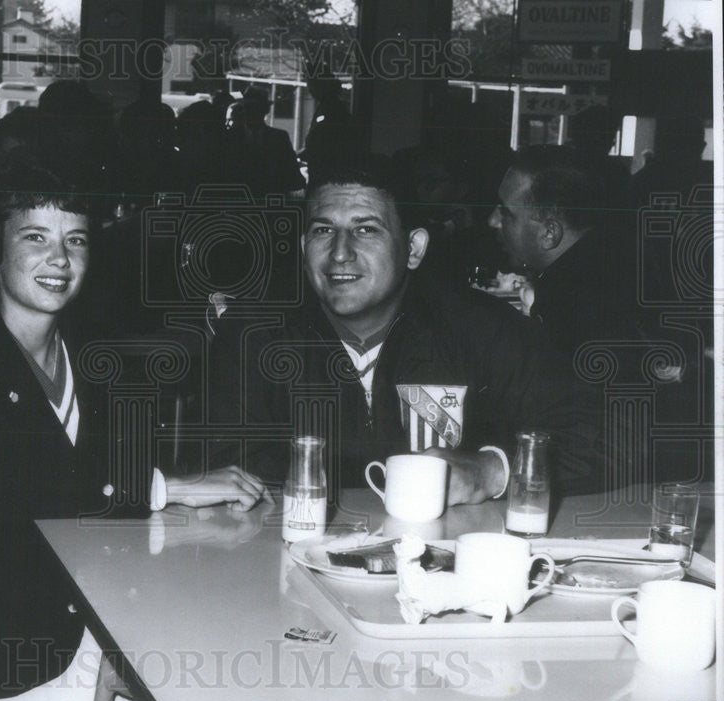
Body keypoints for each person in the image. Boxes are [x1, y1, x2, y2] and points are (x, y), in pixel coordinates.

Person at [0, 158, 268, 701]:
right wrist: (167, 487)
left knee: (231, 694)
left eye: (76, 240)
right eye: (34, 237)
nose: (59, 259)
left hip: (68, 640)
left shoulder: (86, 361)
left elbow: (96, 504)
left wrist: (167, 494)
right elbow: (13, 494)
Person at [208, 154, 607, 502]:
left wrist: (492, 470)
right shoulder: (253, 335)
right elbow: (222, 463)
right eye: (323, 230)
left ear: (413, 248)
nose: (340, 253)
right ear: (302, 246)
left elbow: (599, 436)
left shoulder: (479, 329)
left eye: (366, 229)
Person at [488, 145, 648, 359]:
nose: (493, 221)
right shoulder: (602, 269)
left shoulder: (577, 308)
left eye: (506, 213)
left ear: (549, 233)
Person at [222, 87, 305, 198]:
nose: (250, 113)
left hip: (270, 205)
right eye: (247, 107)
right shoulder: (230, 138)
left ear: (264, 111)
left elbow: (294, 179)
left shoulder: (279, 139)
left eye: (255, 108)